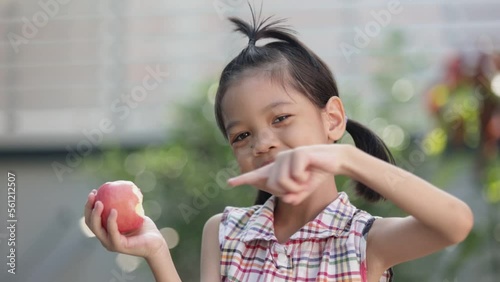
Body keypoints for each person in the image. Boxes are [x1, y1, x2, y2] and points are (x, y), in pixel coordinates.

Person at [84, 9, 474, 282]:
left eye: (280, 118)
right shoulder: (224, 232)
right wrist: (156, 252)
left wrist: (348, 159)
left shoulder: (366, 240)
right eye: (242, 135)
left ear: (333, 120)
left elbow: (455, 223)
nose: (264, 143)